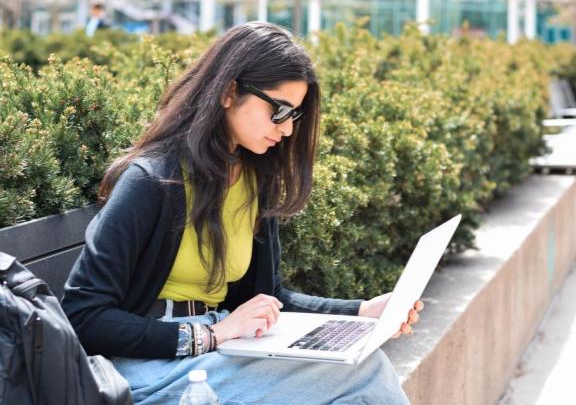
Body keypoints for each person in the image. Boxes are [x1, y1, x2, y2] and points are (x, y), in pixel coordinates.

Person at [62, 22, 422, 405]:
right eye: (279, 110)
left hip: (224, 346)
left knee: (362, 366)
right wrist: (213, 336)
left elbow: (268, 296)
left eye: (294, 116)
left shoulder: (253, 178)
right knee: (365, 373)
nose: (285, 130)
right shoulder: (153, 180)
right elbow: (85, 315)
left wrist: (363, 311)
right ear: (230, 91)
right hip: (148, 366)